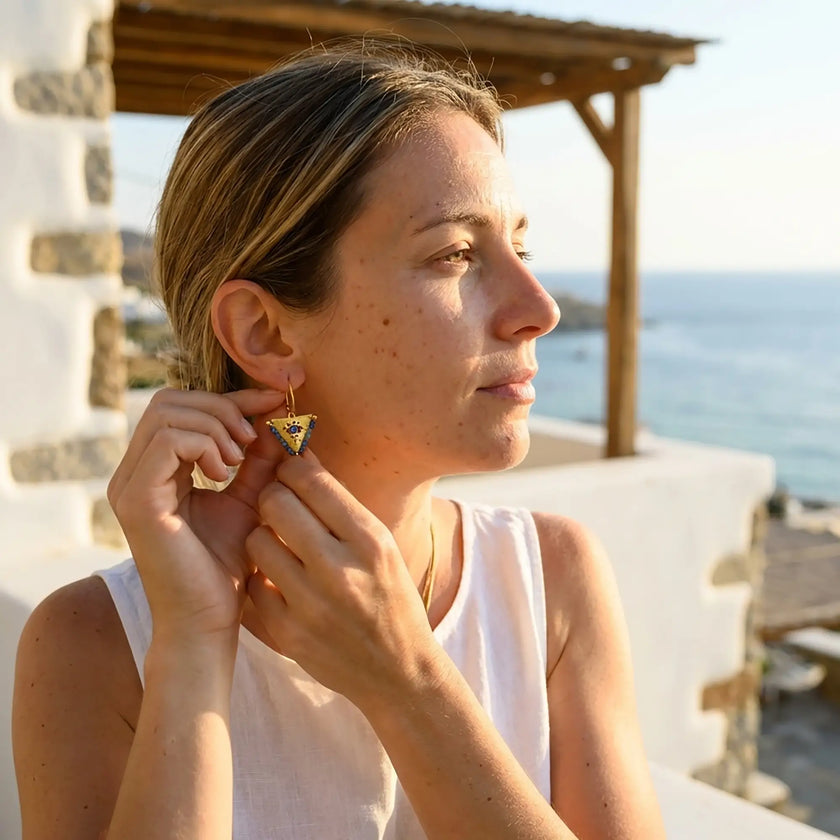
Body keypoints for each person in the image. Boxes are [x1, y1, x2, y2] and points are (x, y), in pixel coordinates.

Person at [12, 41, 665, 840]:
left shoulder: (552, 583)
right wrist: (191, 645)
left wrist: (408, 679)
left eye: (519, 248)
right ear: (265, 332)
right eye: (456, 255)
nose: (540, 308)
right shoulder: (93, 647)